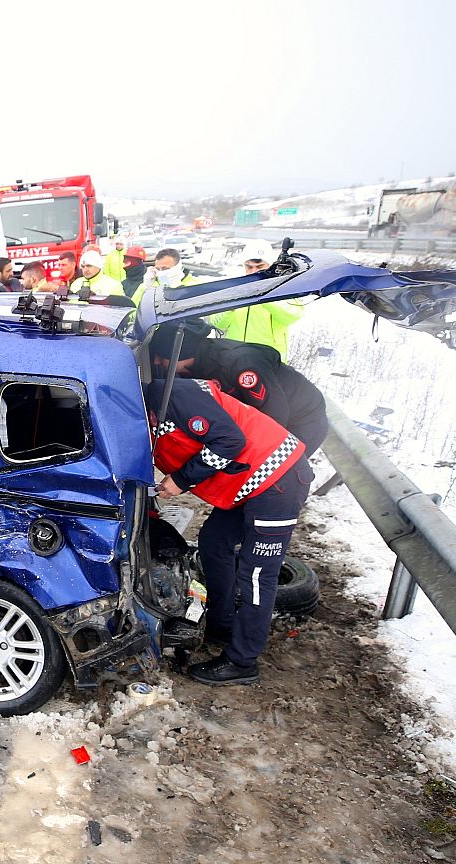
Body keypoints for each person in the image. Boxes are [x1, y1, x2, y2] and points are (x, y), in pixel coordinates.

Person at [146, 373, 314, 685]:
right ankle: (222, 625)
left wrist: (181, 479)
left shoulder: (173, 397)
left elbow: (229, 440)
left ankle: (242, 661)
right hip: (250, 482)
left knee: (256, 573)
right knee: (213, 541)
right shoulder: (151, 406)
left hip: (278, 479)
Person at [149, 320, 328, 449]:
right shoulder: (193, 366)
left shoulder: (239, 364)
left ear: (179, 354)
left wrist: (248, 451)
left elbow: (274, 414)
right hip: (264, 415)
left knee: (275, 479)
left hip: (302, 418)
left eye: (161, 355)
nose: (156, 361)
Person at [205, 240, 305, 359]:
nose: (254, 271)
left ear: (270, 265)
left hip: (269, 361)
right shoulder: (234, 288)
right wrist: (232, 304)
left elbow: (292, 316)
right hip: (234, 359)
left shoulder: (282, 287)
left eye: (259, 267)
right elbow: (218, 325)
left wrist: (264, 296)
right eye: (249, 267)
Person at [132, 248, 200, 306]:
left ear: (177, 267)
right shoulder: (150, 286)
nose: (161, 273)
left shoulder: (195, 285)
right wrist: (146, 288)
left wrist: (177, 288)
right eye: (158, 269)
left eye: (165, 269)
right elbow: (132, 310)